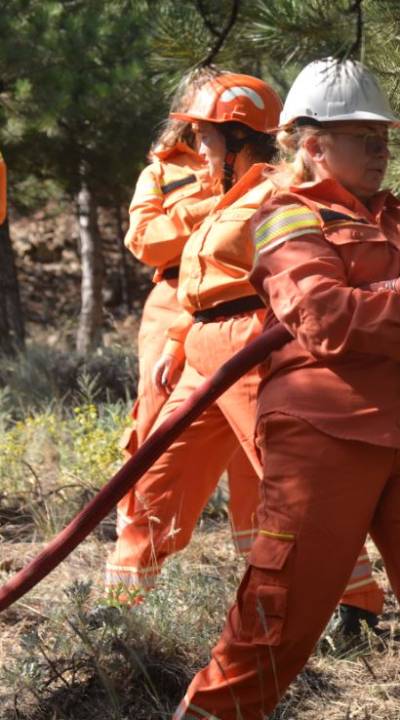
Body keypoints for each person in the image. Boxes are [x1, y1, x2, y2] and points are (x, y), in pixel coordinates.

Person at [174, 58, 400, 720]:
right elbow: (323, 317)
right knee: (280, 616)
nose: (381, 149)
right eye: (363, 137)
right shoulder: (283, 217)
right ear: (310, 144)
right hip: (324, 439)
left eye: (385, 137)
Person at [107, 72, 386, 630]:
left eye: (208, 141)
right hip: (204, 346)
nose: (200, 153)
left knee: (288, 479)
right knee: (158, 469)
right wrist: (184, 339)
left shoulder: (285, 191)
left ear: (238, 140)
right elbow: (202, 275)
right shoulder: (224, 189)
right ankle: (121, 607)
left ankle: (352, 601)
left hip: (253, 347)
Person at [109, 68, 261, 593]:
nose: (201, 134)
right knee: (156, 433)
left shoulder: (268, 173)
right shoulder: (161, 171)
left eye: (209, 125)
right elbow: (146, 240)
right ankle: (130, 586)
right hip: (174, 300)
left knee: (262, 447)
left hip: (245, 301)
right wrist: (217, 202)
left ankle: (288, 584)